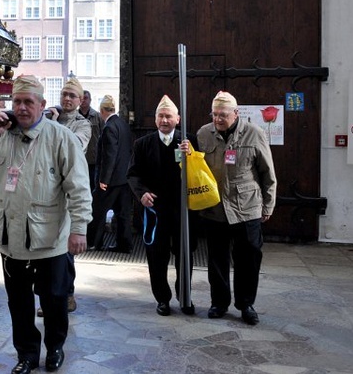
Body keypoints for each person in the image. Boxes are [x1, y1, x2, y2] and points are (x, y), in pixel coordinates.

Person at [0, 75, 92, 374]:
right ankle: (27, 354)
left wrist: (79, 228)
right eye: (17, 102)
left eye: (28, 102)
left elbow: (79, 187)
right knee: (18, 303)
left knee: (55, 299)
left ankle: (56, 346)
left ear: (43, 105)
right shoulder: (1, 136)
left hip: (51, 238)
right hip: (12, 237)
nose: (21, 108)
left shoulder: (61, 137)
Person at [191, 91, 277, 325]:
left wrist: (268, 205)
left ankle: (245, 304)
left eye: (223, 115)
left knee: (248, 258)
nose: (218, 119)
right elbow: (196, 169)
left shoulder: (254, 133)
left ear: (236, 114)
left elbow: (267, 173)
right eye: (215, 114)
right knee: (216, 259)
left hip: (246, 207)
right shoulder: (203, 134)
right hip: (215, 208)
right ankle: (219, 303)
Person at [127, 95, 198, 316]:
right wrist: (142, 194)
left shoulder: (189, 142)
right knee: (156, 257)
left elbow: (201, 173)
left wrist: (192, 156)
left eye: (168, 116)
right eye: (161, 116)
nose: (164, 120)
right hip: (155, 210)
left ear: (178, 118)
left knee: (185, 255)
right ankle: (162, 299)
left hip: (182, 210)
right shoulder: (142, 144)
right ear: (155, 119)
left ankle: (184, 296)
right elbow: (133, 174)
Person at [44, 77, 91, 314]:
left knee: (65, 252)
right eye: (64, 94)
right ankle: (48, 297)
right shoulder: (48, 117)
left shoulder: (83, 124)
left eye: (72, 96)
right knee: (46, 252)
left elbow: (75, 145)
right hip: (45, 193)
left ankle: (67, 295)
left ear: (80, 100)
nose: (67, 99)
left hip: (69, 194)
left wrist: (52, 124)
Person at [88, 94, 133, 252]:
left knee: (98, 210)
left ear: (102, 111)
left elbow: (109, 156)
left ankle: (94, 242)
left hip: (111, 180)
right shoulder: (123, 124)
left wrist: (103, 180)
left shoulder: (109, 127)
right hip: (124, 179)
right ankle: (125, 244)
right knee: (123, 214)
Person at [78, 90, 104, 192]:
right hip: (78, 159)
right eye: (81, 98)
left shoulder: (97, 117)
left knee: (93, 186)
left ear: (90, 100)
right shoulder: (74, 117)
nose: (83, 101)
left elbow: (104, 135)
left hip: (93, 159)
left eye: (86, 98)